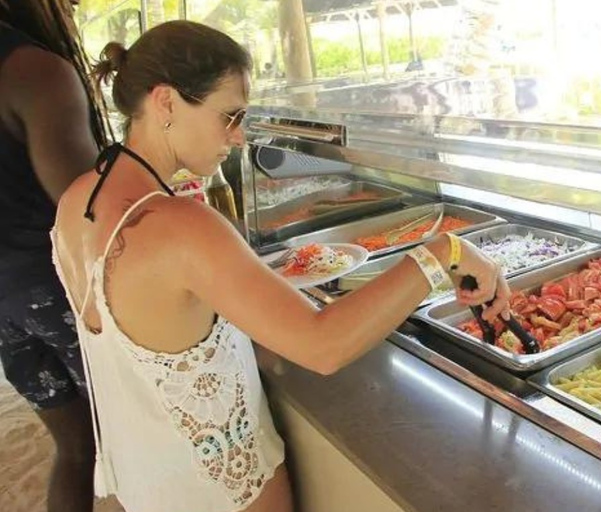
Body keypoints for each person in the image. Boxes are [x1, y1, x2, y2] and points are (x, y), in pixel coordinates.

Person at [52, 20, 510, 512]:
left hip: (137, 482)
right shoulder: (181, 224)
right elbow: (322, 345)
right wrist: (444, 252)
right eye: (229, 115)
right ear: (165, 102)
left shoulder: (79, 198)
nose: (240, 135)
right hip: (219, 491)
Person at [0, 1, 111, 511]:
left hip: (4, 307)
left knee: (75, 448)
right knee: (128, 445)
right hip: (57, 290)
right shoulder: (35, 71)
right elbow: (90, 216)